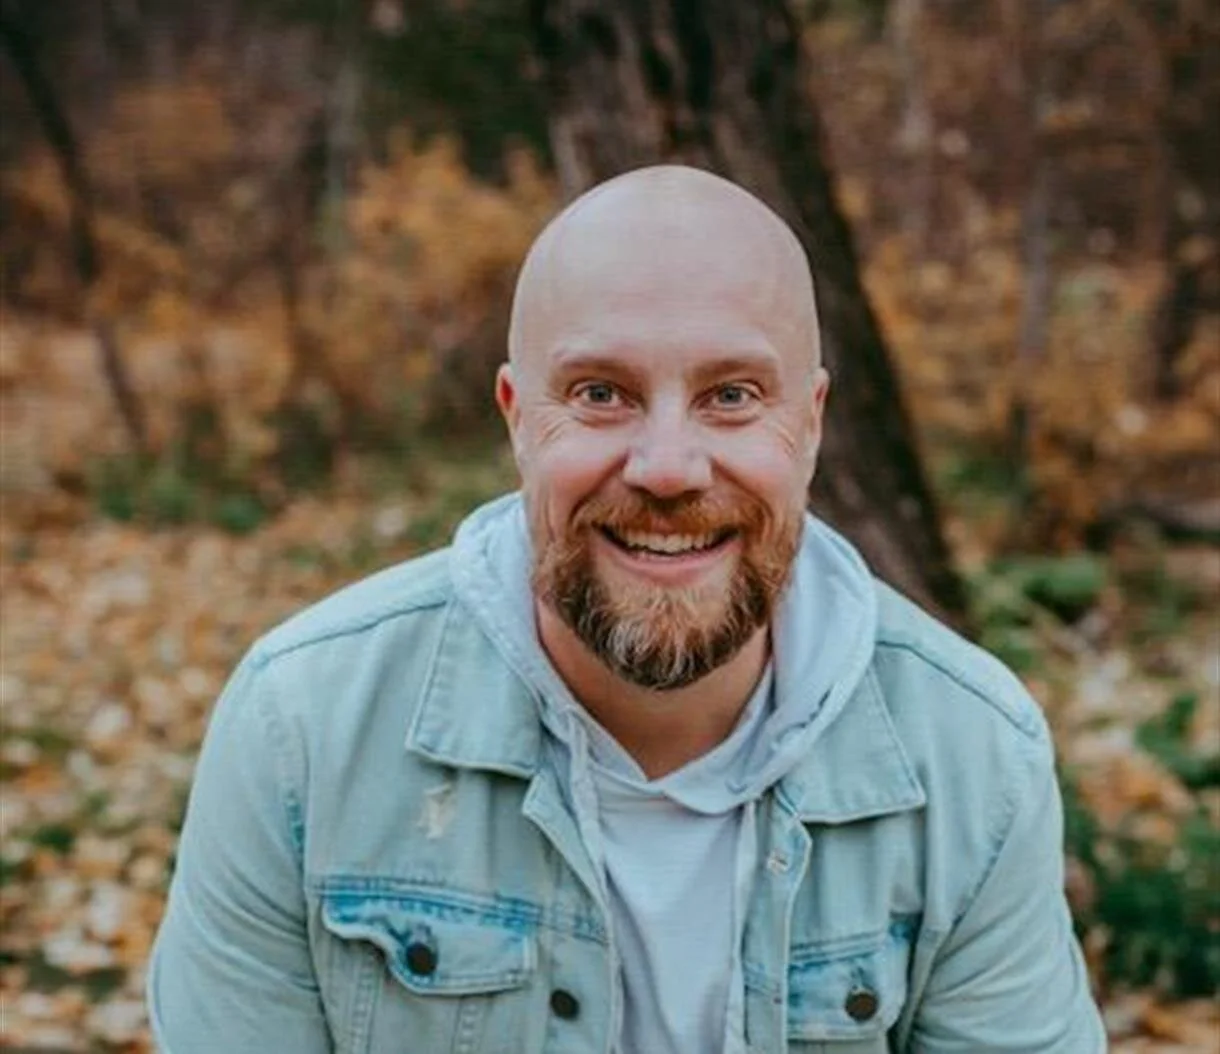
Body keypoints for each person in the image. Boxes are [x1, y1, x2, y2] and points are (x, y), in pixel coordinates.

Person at [147, 165, 1106, 1053]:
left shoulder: (974, 758)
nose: (667, 468)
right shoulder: (302, 732)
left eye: (732, 396)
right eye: (601, 393)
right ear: (517, 419)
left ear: (811, 423)